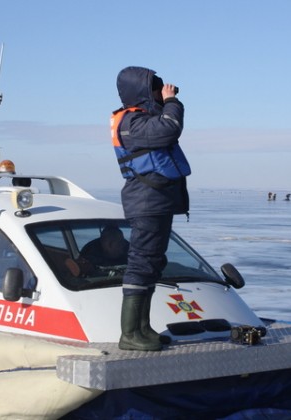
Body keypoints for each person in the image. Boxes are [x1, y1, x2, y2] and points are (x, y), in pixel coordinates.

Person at [110, 66, 191, 351]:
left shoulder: (143, 119)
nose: (161, 92)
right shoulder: (132, 122)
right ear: (143, 92)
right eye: (155, 89)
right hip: (146, 202)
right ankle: (130, 334)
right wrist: (172, 102)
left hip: (156, 200)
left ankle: (143, 328)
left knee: (153, 264)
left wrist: (164, 102)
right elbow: (169, 128)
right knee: (141, 263)